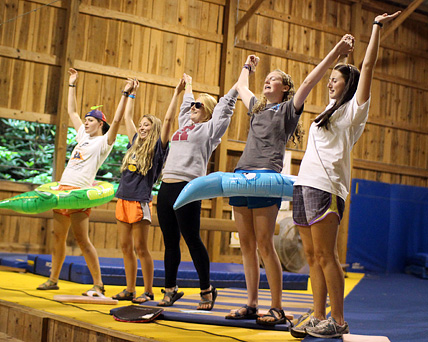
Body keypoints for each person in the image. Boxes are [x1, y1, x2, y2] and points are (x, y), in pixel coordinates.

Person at [225, 35, 356, 326]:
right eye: (266, 79)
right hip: (241, 173)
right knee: (246, 243)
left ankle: (276, 307)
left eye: (273, 79)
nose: (267, 81)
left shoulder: (287, 110)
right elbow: (241, 87)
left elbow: (309, 82)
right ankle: (251, 303)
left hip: (266, 177)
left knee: (263, 243)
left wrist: (336, 52)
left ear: (285, 88)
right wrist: (248, 66)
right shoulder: (257, 108)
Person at [291, 11, 401, 339]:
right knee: (311, 255)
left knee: (327, 255)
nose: (331, 81)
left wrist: (376, 26)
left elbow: (366, 67)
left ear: (348, 84)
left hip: (328, 188)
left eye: (336, 78)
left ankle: (338, 320)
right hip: (304, 184)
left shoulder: (354, 112)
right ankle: (318, 314)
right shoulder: (326, 112)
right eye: (331, 78)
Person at [36, 68, 133, 296]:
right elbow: (71, 110)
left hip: (80, 194)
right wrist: (72, 84)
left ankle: (98, 283)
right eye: (86, 120)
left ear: (100, 124)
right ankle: (53, 279)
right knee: (58, 237)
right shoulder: (82, 137)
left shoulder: (103, 143)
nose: (85, 123)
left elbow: (117, 120)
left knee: (82, 239)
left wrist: (125, 94)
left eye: (90, 121)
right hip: (62, 192)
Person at [156, 74, 238, 310]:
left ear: (209, 112)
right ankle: (170, 289)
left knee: (191, 239)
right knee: (170, 242)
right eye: (193, 104)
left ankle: (206, 289)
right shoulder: (185, 124)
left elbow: (225, 109)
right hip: (167, 186)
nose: (193, 107)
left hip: (188, 187)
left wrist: (240, 79)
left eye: (199, 105)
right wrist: (187, 85)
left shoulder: (210, 130)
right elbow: (185, 102)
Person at [111, 77, 185, 303]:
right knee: (125, 247)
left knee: (140, 247)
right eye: (141, 125)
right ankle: (130, 289)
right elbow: (126, 117)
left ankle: (149, 290)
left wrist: (176, 92)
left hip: (140, 201)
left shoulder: (158, 147)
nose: (142, 128)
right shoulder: (134, 141)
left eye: (147, 125)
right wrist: (130, 93)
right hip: (122, 199)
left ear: (154, 130)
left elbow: (169, 119)